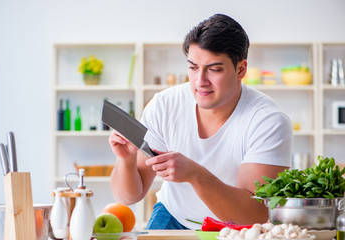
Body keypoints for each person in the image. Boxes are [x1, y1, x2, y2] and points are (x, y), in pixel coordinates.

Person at [109, 14, 292, 230]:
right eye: (193, 67)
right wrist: (125, 161)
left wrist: (196, 175)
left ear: (241, 69)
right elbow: (130, 196)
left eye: (214, 69)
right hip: (175, 215)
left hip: (236, 227)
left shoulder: (267, 121)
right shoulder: (164, 105)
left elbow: (255, 215)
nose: (200, 81)